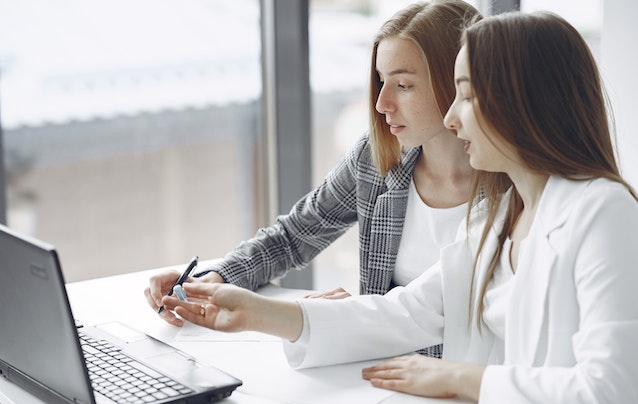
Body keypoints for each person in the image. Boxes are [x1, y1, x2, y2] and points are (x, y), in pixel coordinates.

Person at [160, 10, 638, 404]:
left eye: (467, 97)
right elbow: (409, 310)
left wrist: (456, 377)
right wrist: (254, 311)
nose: (454, 118)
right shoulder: (501, 218)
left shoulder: (603, 213)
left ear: (524, 102)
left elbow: (613, 396)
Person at [145, 1, 481, 358]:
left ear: (457, 83)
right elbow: (292, 237)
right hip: (380, 376)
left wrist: (343, 321)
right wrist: (215, 279)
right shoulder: (377, 159)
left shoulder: (519, 189)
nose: (382, 103)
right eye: (381, 82)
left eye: (403, 85)